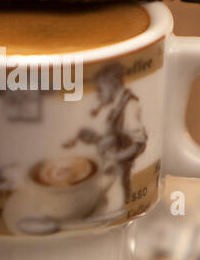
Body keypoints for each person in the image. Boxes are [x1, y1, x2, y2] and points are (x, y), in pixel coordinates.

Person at [63, 63, 147, 205]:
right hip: (111, 167)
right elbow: (114, 137)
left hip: (118, 171)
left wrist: (117, 157)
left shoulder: (129, 106)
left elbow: (139, 143)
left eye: (100, 89)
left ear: (113, 84)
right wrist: (86, 137)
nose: (98, 94)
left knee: (118, 202)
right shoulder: (117, 106)